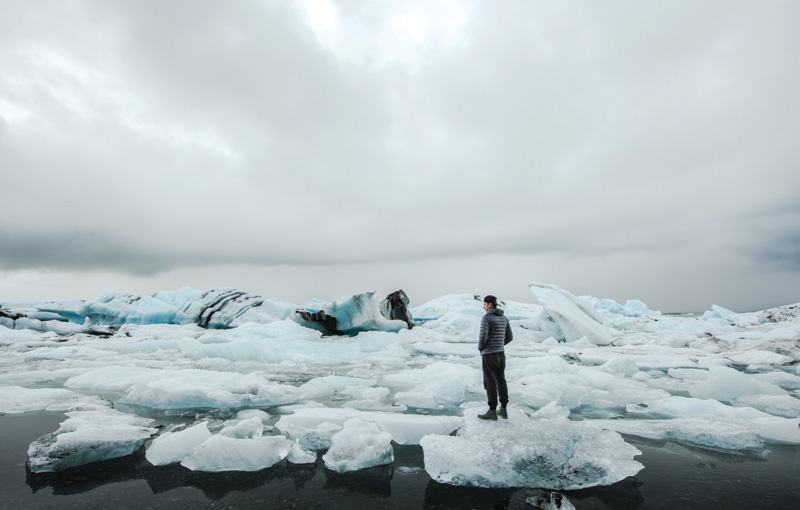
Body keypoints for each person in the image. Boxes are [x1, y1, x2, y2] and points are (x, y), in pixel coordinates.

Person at [478, 295, 513, 420]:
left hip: (489, 355)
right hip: (500, 354)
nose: (484, 307)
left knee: (490, 382)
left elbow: (483, 337)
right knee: (501, 381)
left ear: (490, 305)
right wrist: (499, 345)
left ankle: (492, 411)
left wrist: (481, 348)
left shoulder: (486, 318)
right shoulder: (504, 318)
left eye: (484, 304)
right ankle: (503, 409)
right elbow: (509, 337)